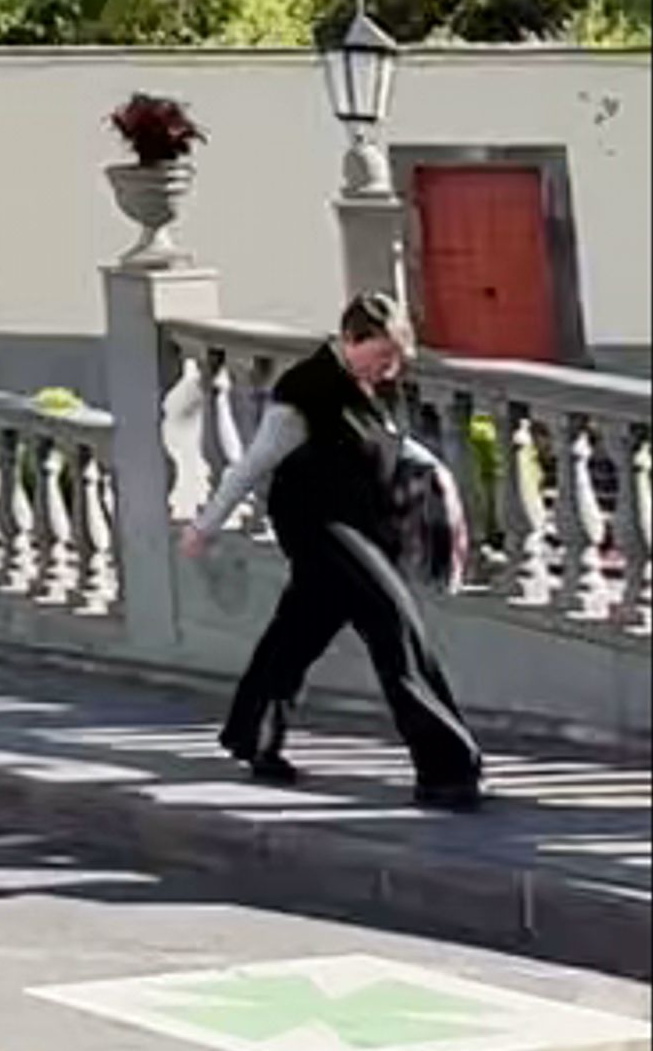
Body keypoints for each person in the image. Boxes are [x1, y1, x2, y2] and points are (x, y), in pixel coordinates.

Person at [191, 298, 486, 807]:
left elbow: (389, 444)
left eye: (396, 358)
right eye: (383, 355)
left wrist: (436, 471)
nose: (391, 368)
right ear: (350, 340)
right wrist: (205, 527)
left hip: (361, 526)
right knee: (394, 622)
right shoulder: (304, 390)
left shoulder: (366, 386)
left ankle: (253, 734)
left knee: (299, 630)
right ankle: (447, 769)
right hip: (318, 526)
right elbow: (252, 464)